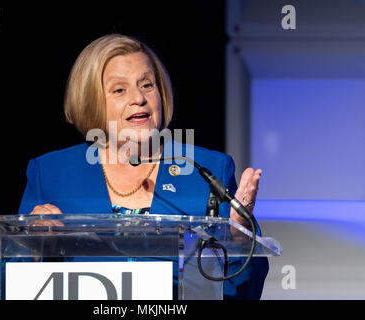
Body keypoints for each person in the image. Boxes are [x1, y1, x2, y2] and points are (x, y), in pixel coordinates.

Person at [18, 34, 269, 299]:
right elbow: (15, 282)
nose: (139, 98)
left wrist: (239, 238)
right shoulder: (51, 173)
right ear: (91, 101)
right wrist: (34, 250)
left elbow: (244, 292)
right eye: (119, 90)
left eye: (147, 85)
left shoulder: (207, 169)